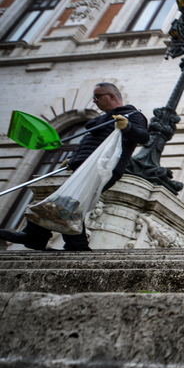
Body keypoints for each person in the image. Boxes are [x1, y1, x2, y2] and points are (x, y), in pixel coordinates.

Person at [0, 83, 149, 251]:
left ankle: (41, 236)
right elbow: (90, 143)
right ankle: (67, 243)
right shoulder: (102, 120)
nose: (94, 101)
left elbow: (144, 137)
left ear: (112, 96)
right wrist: (73, 159)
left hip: (103, 169)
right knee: (69, 204)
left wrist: (127, 127)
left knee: (66, 201)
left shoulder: (133, 114)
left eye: (97, 97)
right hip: (84, 167)